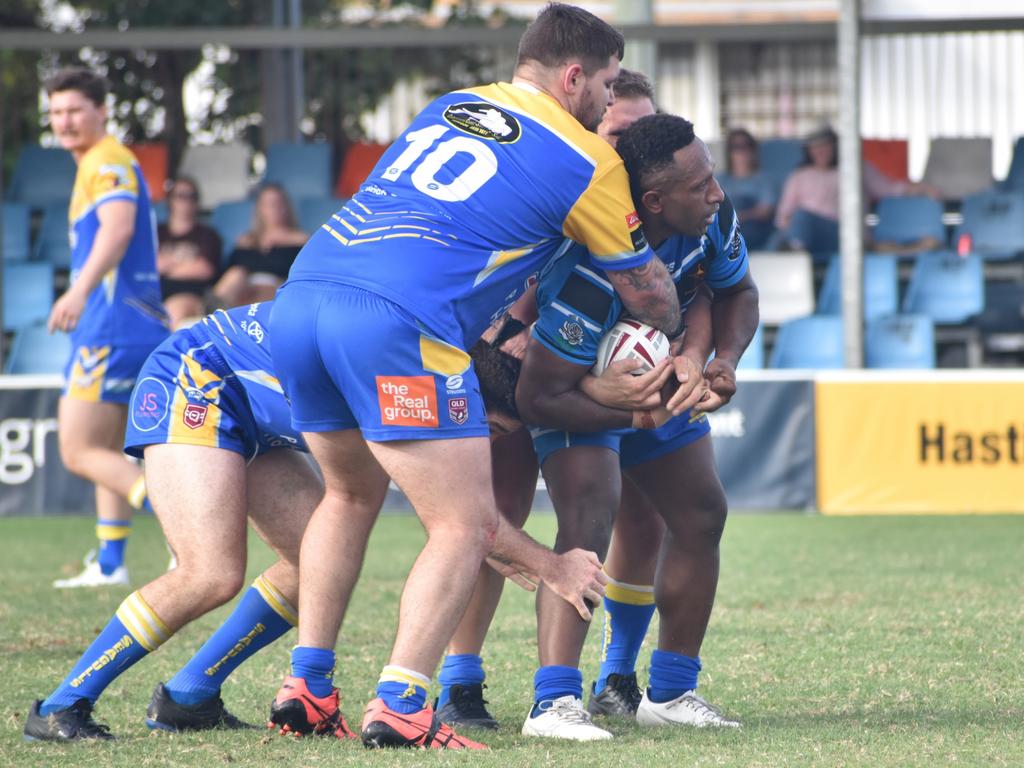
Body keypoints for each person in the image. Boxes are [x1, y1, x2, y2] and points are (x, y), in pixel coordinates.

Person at [266, 3, 685, 751]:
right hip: (399, 322)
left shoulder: (452, 105)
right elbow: (649, 294)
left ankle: (309, 683)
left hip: (303, 297)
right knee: (463, 523)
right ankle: (400, 701)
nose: (608, 101)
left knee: (349, 493)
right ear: (574, 75)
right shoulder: (590, 161)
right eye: (608, 84)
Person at [24, 301, 604, 742]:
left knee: (319, 562)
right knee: (211, 572)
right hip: (197, 375)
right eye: (494, 430)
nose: (486, 443)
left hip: (248, 402)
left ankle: (188, 696)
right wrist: (555, 566)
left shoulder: (435, 358)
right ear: (473, 404)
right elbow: (467, 520)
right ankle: (60, 707)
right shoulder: (418, 385)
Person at [514, 113, 758, 739]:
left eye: (712, 176)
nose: (716, 193)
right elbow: (539, 396)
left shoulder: (709, 222)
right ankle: (554, 703)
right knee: (589, 520)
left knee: (702, 513)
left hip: (654, 392)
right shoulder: (593, 272)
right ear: (652, 202)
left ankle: (672, 692)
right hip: (577, 398)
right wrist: (636, 411)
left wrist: (720, 362)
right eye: (700, 183)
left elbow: (736, 292)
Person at [45, 67, 169, 589]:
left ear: (102, 110)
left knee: (78, 448)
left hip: (111, 323)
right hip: (132, 321)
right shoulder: (101, 161)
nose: (64, 121)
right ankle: (112, 562)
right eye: (55, 112)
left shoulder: (106, 159)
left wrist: (76, 291)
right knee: (112, 447)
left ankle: (182, 524)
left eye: (74, 109)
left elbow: (117, 228)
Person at [212, 184, 306, 308]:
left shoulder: (300, 241)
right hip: (243, 289)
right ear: (260, 209)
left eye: (278, 203)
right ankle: (212, 314)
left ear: (286, 206)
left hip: (277, 289)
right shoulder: (247, 241)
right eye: (268, 204)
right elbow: (227, 270)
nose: (274, 208)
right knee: (236, 275)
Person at [157, 177, 222, 329]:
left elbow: (204, 269)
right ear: (170, 200)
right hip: (155, 292)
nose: (186, 202)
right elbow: (151, 267)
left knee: (173, 311)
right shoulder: (156, 232)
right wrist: (185, 263)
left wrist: (167, 265)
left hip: (192, 295)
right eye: (180, 196)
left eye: (191, 196)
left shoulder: (207, 235)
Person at [717, 128, 776, 249]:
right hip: (723, 227)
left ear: (753, 150)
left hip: (752, 227)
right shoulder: (719, 180)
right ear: (729, 152)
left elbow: (765, 211)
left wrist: (739, 216)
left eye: (746, 146)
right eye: (736, 146)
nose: (742, 151)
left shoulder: (763, 180)